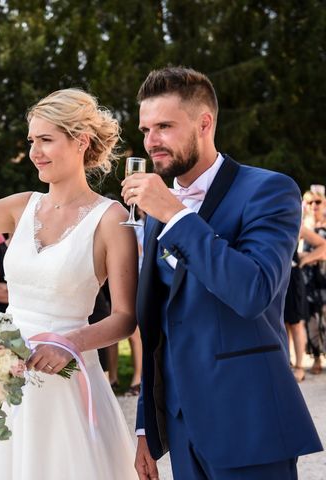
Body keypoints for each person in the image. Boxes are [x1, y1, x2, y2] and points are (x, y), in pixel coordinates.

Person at [0, 88, 138, 479]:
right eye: (32, 140)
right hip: (7, 382)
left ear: (81, 141)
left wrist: (71, 342)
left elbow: (124, 318)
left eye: (46, 140)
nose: (35, 151)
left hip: (66, 383)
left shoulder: (110, 218)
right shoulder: (22, 206)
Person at [123, 66, 322, 480]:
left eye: (164, 126)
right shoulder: (162, 207)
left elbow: (252, 290)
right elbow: (157, 326)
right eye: (145, 129)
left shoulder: (269, 190)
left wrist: (176, 217)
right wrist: (147, 426)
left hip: (249, 420)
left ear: (204, 123)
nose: (150, 140)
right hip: (180, 427)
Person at [285, 225, 326, 382]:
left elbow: (323, 245)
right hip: (276, 276)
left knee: (295, 323)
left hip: (293, 278)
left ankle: (299, 367)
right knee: (281, 323)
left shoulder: (296, 223)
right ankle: (286, 364)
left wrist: (305, 259)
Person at [301, 189, 326, 375]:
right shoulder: (302, 227)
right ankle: (317, 357)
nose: (314, 206)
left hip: (323, 279)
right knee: (311, 321)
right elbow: (295, 251)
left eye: (317, 202)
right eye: (310, 202)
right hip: (308, 280)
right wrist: (310, 256)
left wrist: (306, 258)